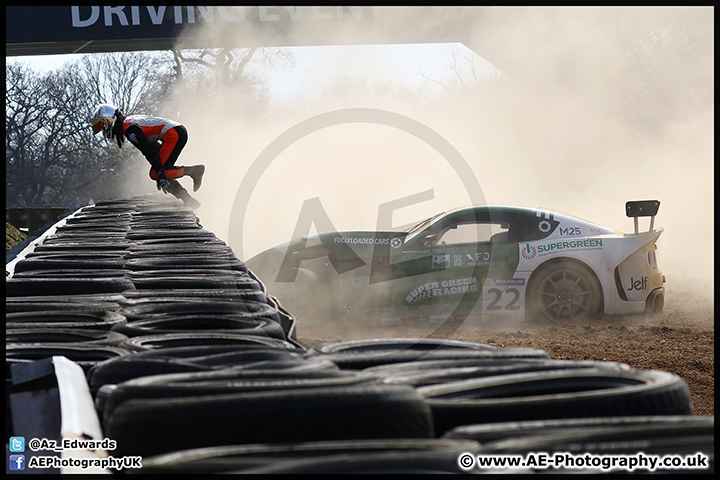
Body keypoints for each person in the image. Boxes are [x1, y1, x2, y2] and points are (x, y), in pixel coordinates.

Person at [90, 104, 204, 209]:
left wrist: (159, 172)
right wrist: (160, 174)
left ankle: (194, 171)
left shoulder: (130, 129)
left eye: (103, 126)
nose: (104, 131)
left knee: (156, 173)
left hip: (173, 134)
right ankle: (189, 200)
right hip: (176, 132)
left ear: (109, 121)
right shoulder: (128, 123)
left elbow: (148, 151)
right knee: (159, 173)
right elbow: (152, 147)